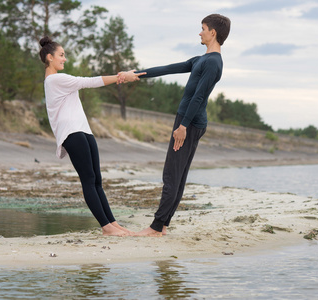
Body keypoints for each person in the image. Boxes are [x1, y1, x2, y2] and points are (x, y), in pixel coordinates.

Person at [135, 14, 231, 236]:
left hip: (189, 122)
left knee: (172, 175)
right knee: (177, 175)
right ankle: (163, 225)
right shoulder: (201, 60)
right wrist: (136, 74)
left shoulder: (214, 62)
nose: (200, 32)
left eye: (203, 28)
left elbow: (199, 96)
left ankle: (156, 227)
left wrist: (183, 126)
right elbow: (169, 68)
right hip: (189, 121)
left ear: (213, 33)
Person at [39, 36, 145, 236]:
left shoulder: (59, 80)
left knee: (97, 180)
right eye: (61, 55)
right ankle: (106, 227)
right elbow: (89, 82)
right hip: (72, 133)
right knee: (88, 180)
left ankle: (113, 224)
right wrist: (121, 76)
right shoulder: (54, 80)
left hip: (83, 130)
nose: (65, 59)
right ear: (49, 58)